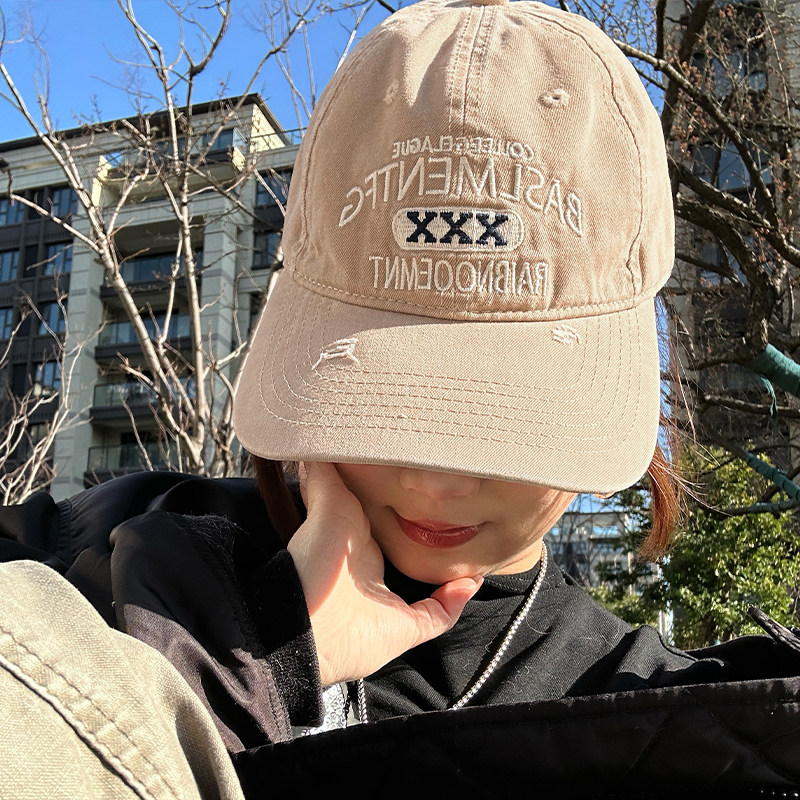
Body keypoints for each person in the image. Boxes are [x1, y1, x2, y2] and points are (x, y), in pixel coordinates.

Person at [1, 0, 799, 797]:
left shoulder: (673, 728)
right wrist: (253, 663)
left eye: (509, 409)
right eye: (382, 397)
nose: (434, 479)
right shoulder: (98, 561)